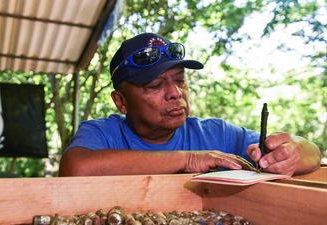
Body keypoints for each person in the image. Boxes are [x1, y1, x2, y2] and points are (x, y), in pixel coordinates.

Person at [59, 33, 321, 177]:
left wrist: (292, 152)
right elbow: (76, 168)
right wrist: (189, 159)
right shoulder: (102, 133)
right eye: (155, 85)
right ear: (121, 102)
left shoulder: (214, 133)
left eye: (180, 81)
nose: (175, 93)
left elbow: (312, 153)